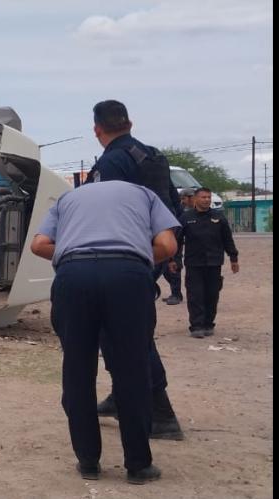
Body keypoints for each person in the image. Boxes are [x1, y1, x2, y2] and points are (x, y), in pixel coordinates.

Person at [31, 180, 178, 484]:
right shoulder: (146, 195)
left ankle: (88, 462)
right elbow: (167, 246)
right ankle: (138, 466)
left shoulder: (66, 199)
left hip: (73, 276)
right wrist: (132, 256)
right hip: (127, 276)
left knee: (77, 369)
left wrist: (76, 253)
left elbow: (39, 244)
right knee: (132, 370)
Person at [85, 100, 184, 440]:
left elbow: (103, 211)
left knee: (130, 334)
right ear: (130, 123)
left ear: (97, 129)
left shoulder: (112, 161)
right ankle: (122, 393)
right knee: (117, 330)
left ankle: (160, 412)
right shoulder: (152, 156)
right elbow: (169, 206)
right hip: (151, 250)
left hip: (123, 256)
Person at [173, 187, 239, 338]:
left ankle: (208, 324)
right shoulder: (186, 217)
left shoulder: (219, 217)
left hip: (214, 263)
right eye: (203, 197)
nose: (207, 200)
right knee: (195, 295)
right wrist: (174, 259)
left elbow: (227, 239)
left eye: (208, 197)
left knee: (212, 295)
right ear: (195, 199)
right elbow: (177, 241)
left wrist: (233, 258)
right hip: (194, 263)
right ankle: (196, 326)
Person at [161, 188, 196, 305]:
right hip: (173, 237)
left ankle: (176, 294)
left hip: (181, 241)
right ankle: (176, 292)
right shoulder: (179, 209)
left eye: (184, 198)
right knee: (165, 268)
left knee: (174, 267)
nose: (183, 201)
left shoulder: (197, 210)